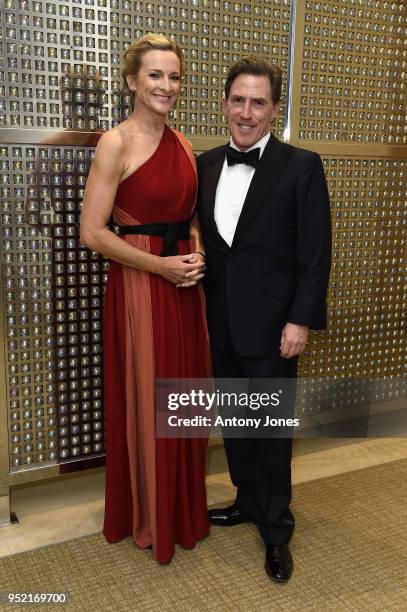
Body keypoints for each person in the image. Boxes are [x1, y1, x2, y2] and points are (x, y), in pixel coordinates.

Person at [197, 56, 332, 582]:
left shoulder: (302, 165)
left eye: (258, 102)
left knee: (271, 433)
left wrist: (299, 320)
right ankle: (246, 502)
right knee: (236, 424)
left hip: (276, 327)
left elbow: (315, 254)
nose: (247, 112)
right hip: (220, 321)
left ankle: (277, 528)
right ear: (225, 104)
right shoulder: (205, 163)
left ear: (275, 108)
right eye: (238, 100)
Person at [80, 34, 210, 564]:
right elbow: (93, 232)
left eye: (174, 76)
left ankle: (181, 509)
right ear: (132, 80)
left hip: (183, 288)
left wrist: (195, 254)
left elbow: (189, 217)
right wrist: (159, 266)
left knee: (184, 398)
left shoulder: (183, 144)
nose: (166, 86)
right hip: (140, 288)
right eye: (156, 75)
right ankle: (151, 515)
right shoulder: (115, 142)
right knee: (149, 395)